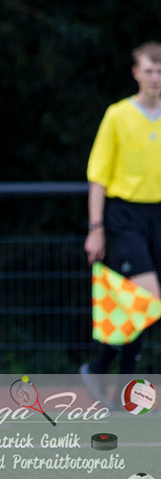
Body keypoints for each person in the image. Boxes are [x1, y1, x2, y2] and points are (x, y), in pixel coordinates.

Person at [82, 41, 161, 377]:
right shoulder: (117, 115)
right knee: (147, 297)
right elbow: (98, 177)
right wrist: (95, 228)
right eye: (149, 70)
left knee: (132, 306)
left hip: (157, 217)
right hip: (124, 218)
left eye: (160, 71)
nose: (156, 77)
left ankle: (114, 383)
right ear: (136, 73)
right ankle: (103, 372)